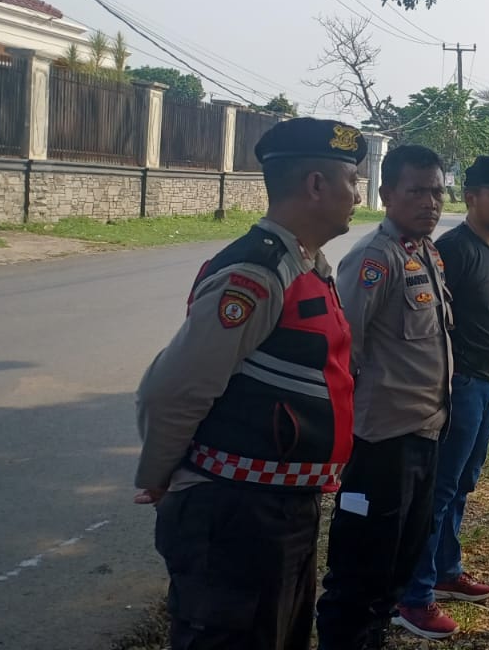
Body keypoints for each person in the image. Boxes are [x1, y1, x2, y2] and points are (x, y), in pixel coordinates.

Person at [133, 117, 366, 650]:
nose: (358, 193)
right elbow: (174, 388)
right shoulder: (257, 274)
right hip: (236, 514)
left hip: (281, 508)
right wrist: (162, 476)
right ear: (314, 185)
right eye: (352, 179)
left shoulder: (306, 264)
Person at [315, 145, 452, 649]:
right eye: (417, 191)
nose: (430, 202)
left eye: (437, 191)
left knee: (398, 566)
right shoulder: (374, 258)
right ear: (386, 193)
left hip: (423, 434)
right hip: (380, 445)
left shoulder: (424, 252)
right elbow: (340, 350)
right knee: (360, 573)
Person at [394, 156, 489, 639]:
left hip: (486, 386)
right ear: (470, 199)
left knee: (461, 486)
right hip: (461, 385)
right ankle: (414, 596)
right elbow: (426, 326)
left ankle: (446, 571)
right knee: (438, 491)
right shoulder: (454, 249)